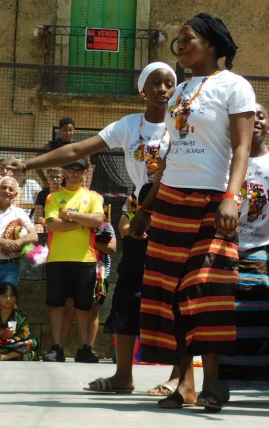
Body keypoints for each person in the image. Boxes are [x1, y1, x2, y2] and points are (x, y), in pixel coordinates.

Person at [2, 62, 177, 392]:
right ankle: (124, 376)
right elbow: (77, 149)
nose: (163, 89)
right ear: (142, 90)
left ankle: (178, 377)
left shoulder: (182, 125)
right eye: (155, 83)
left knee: (175, 298)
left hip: (174, 217)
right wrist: (28, 163)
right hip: (141, 221)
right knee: (127, 294)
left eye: (169, 83)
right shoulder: (129, 125)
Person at [130, 13, 255, 412]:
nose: (180, 46)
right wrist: (146, 209)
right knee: (169, 294)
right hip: (170, 202)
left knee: (205, 291)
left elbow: (242, 148)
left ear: (213, 45)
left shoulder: (235, 86)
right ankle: (183, 383)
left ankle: (213, 383)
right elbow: (170, 154)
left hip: (211, 201)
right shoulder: (181, 90)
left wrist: (232, 197)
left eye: (188, 39)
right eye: (179, 41)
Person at [217, 103, 269, 396]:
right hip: (225, 246)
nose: (256, 122)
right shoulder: (226, 158)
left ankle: (264, 376)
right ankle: (224, 378)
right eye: (249, 118)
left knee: (262, 311)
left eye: (261, 116)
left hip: (260, 248)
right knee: (227, 314)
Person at [41, 159, 105, 363]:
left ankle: (85, 348)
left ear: (84, 174)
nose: (75, 173)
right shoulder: (53, 196)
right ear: (65, 172)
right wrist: (81, 221)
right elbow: (52, 224)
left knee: (84, 306)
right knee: (56, 304)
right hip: (57, 258)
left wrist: (68, 215)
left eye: (80, 170)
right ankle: (56, 348)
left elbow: (97, 220)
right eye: (71, 169)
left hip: (85, 258)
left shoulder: (92, 196)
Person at [61, 220, 117, 358]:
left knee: (94, 310)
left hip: (99, 272)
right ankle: (58, 348)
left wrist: (92, 241)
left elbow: (112, 248)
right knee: (69, 308)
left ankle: (87, 349)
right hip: (75, 269)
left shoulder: (106, 227)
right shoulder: (73, 224)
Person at [0, 177, 38, 286]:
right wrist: (3, 242)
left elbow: (34, 236)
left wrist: (18, 243)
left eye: (10, 189)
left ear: (15, 195)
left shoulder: (19, 213)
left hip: (10, 266)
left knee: (8, 302)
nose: (7, 191)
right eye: (4, 187)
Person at [38, 117, 94, 187]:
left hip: (74, 185)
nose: (68, 133)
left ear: (74, 130)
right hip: (56, 186)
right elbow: (38, 159)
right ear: (60, 130)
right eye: (65, 130)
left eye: (70, 130)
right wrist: (44, 179)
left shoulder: (79, 145)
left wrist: (87, 184)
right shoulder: (53, 144)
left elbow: (89, 165)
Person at [0, 282, 38, 361]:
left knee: (34, 342)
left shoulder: (20, 316)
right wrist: (2, 335)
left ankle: (4, 357)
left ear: (16, 298)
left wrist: (11, 339)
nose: (8, 299)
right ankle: (16, 356)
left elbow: (25, 334)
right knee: (29, 355)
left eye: (12, 295)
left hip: (13, 345)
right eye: (4, 296)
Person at [33, 167, 63, 233]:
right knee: (37, 228)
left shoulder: (65, 193)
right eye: (52, 177)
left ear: (62, 179)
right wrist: (48, 224)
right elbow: (38, 217)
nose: (54, 179)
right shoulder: (42, 194)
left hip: (62, 222)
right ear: (47, 178)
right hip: (46, 222)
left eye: (57, 177)